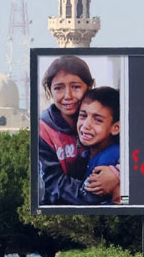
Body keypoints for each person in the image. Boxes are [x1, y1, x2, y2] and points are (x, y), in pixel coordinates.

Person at [38, 56, 107, 205]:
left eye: (76, 87)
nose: (68, 96)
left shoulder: (104, 119)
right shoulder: (44, 130)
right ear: (49, 90)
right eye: (58, 88)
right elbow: (54, 182)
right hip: (59, 215)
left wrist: (117, 175)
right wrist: (95, 196)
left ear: (89, 87)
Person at [77, 87, 122, 204]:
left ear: (115, 128)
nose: (86, 125)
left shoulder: (111, 156)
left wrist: (118, 175)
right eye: (82, 115)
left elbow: (89, 199)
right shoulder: (86, 153)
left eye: (97, 120)